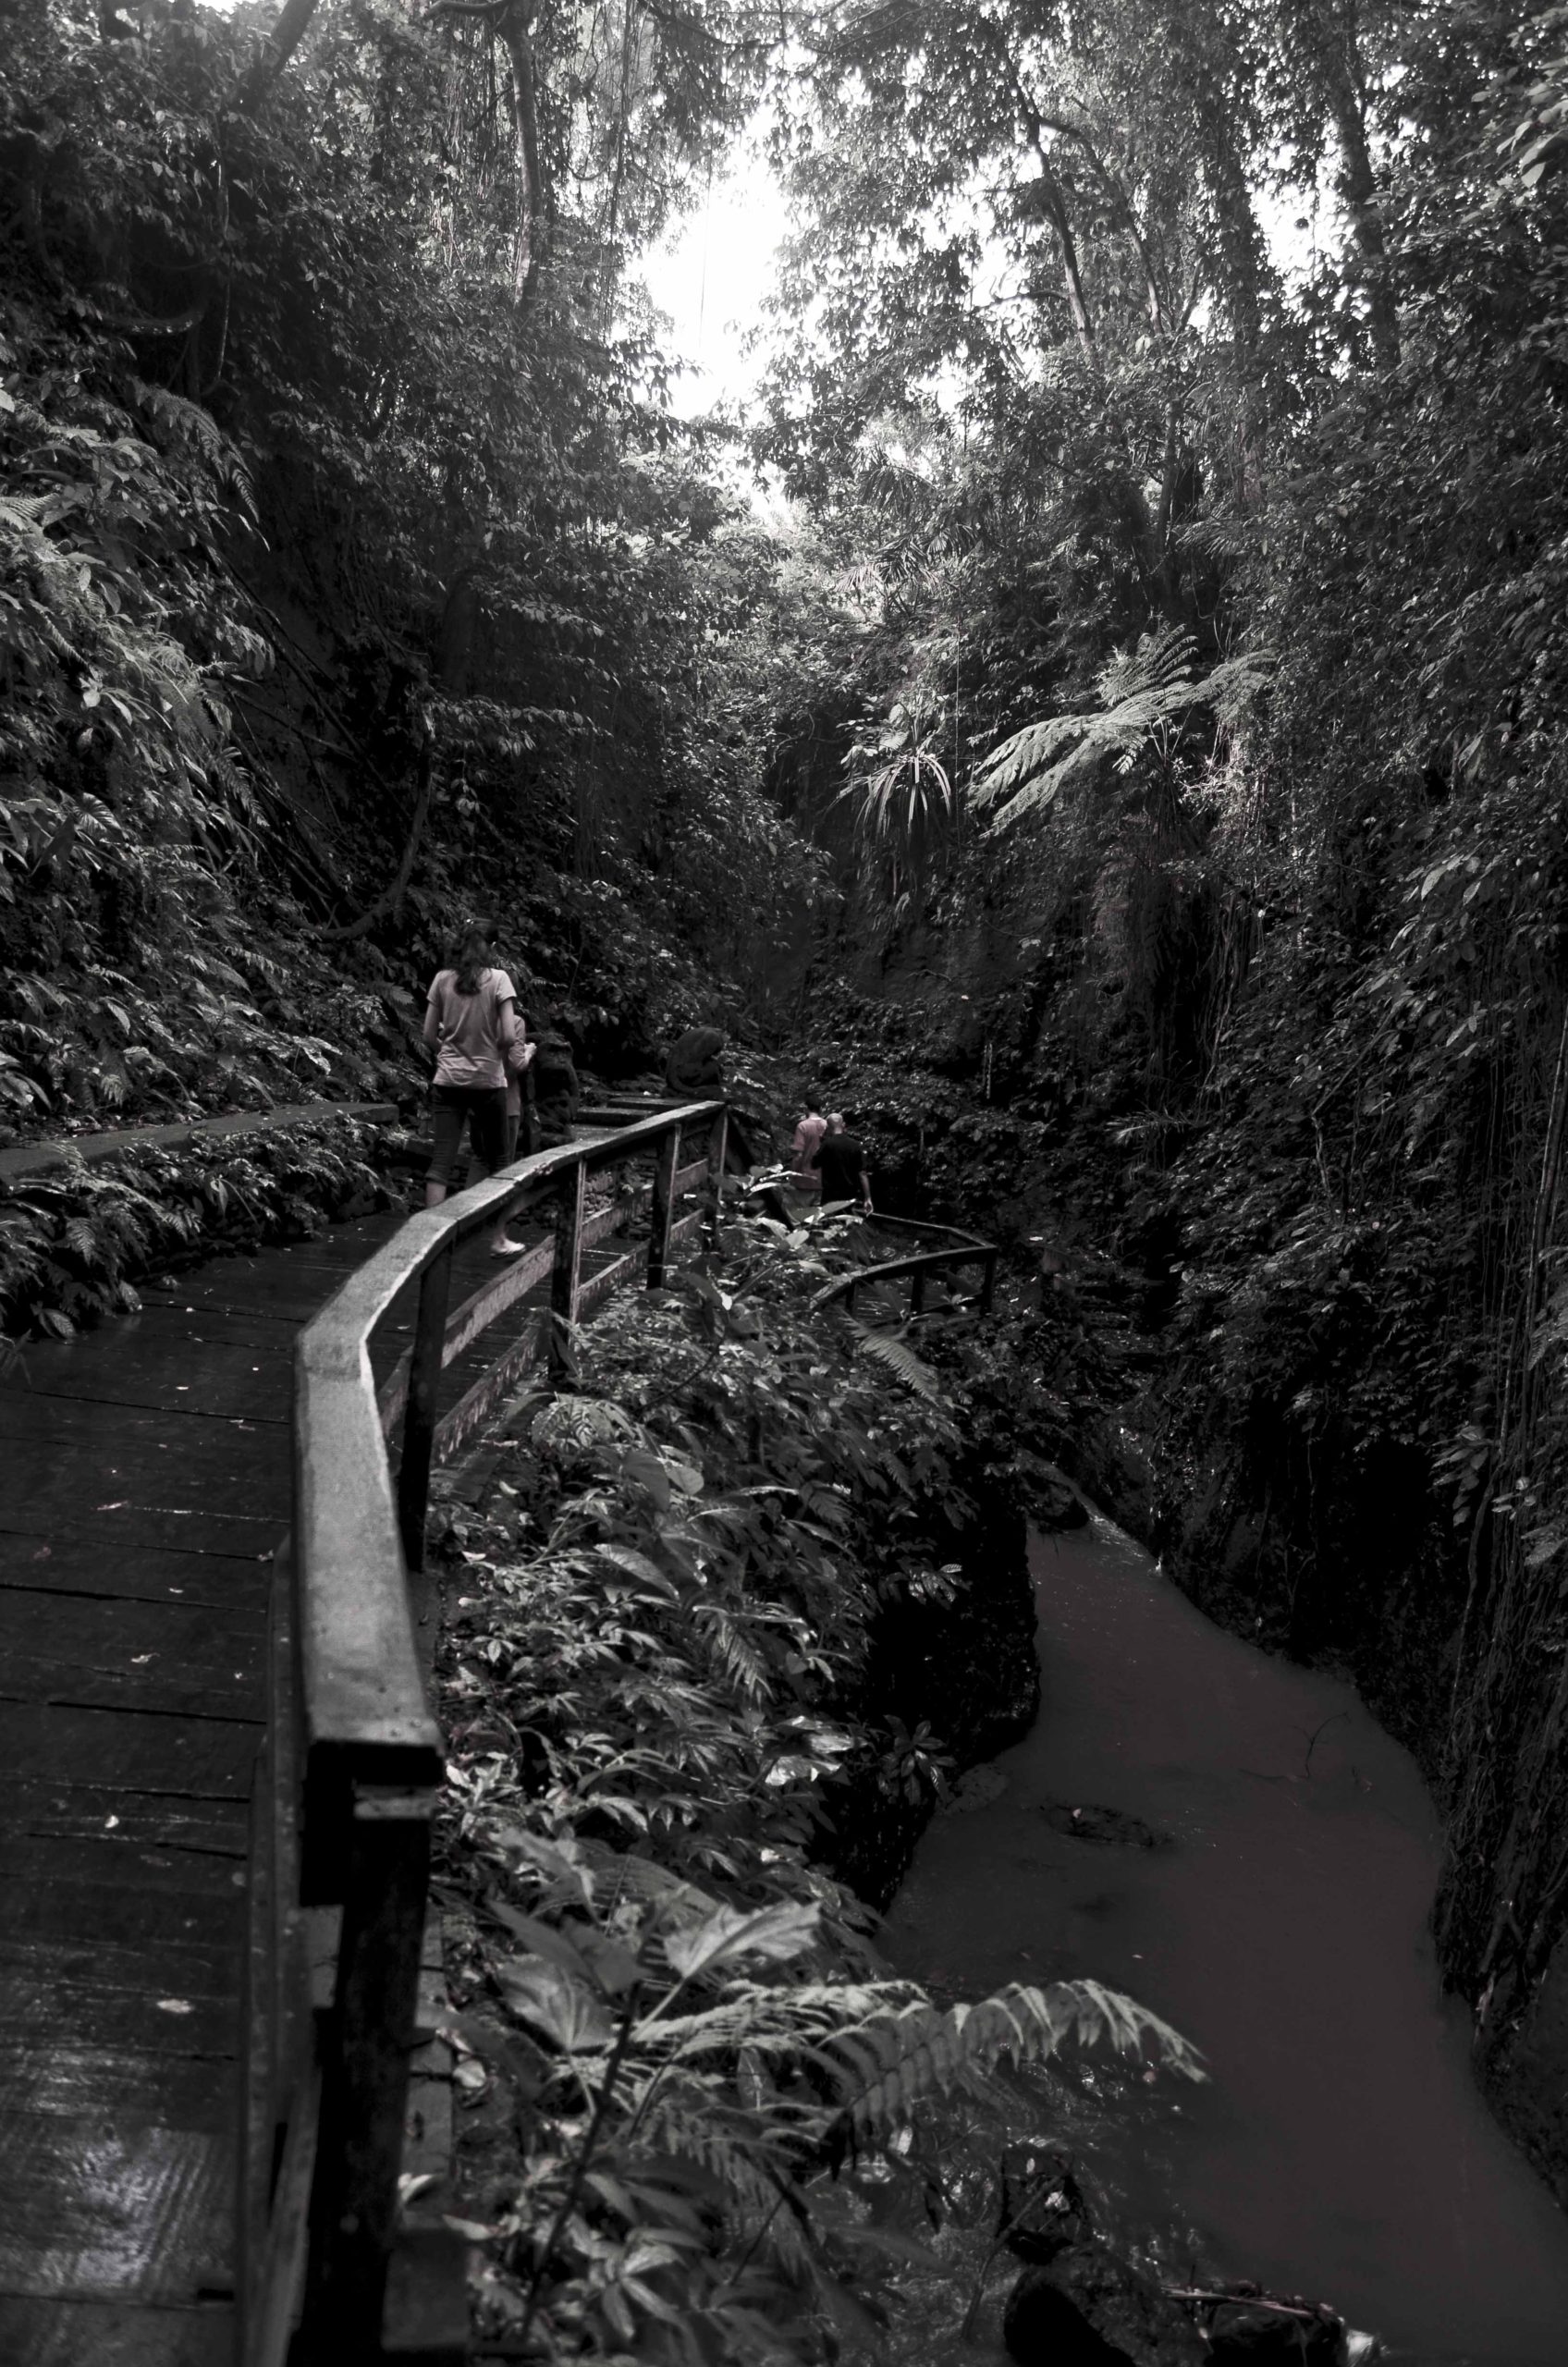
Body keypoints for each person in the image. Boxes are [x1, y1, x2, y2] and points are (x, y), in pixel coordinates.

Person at [422, 926, 529, 1255]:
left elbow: (427, 1035)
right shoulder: (499, 980)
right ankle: (497, 1239)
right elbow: (510, 1037)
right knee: (499, 1161)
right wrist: (486, 1053)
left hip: (448, 1081)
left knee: (441, 1161)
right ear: (491, 946)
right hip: (488, 1082)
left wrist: (450, 1055)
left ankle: (428, 1243)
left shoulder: (442, 980)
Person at [532, 1023, 581, 1149]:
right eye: (554, 1053)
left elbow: (575, 1093)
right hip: (539, 1117)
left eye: (564, 1053)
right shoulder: (530, 1067)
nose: (561, 1059)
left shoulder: (567, 1069)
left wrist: (570, 1113)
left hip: (561, 1118)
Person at [813, 1111, 873, 1211]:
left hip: (830, 1195)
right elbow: (862, 1174)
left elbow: (814, 1164)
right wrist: (868, 1198)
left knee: (830, 1223)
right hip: (849, 1195)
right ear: (843, 1125)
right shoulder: (856, 1145)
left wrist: (822, 1140)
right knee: (846, 1222)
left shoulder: (826, 1145)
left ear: (827, 1127)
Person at [664, 1024, 725, 1097]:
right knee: (714, 1068)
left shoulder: (702, 1033)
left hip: (678, 1073)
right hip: (684, 1073)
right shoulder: (713, 1038)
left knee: (715, 1067)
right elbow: (698, 1058)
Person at [790, 1102, 827, 1184]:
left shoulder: (803, 1126)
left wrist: (793, 1175)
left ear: (806, 1109)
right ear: (820, 1110)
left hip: (807, 1176)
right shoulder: (827, 1125)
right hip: (826, 1177)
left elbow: (798, 1155)